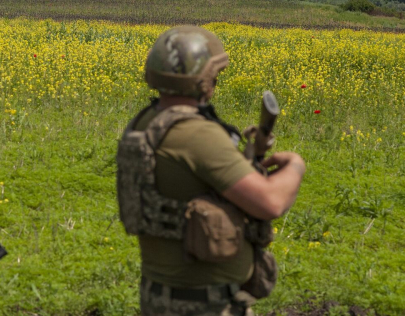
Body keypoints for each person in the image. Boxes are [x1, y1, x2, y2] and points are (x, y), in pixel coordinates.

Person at [116, 26, 305, 316]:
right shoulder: (196, 135)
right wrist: (295, 167)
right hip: (204, 304)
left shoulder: (147, 123)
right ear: (204, 78)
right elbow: (270, 202)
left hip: (161, 295)